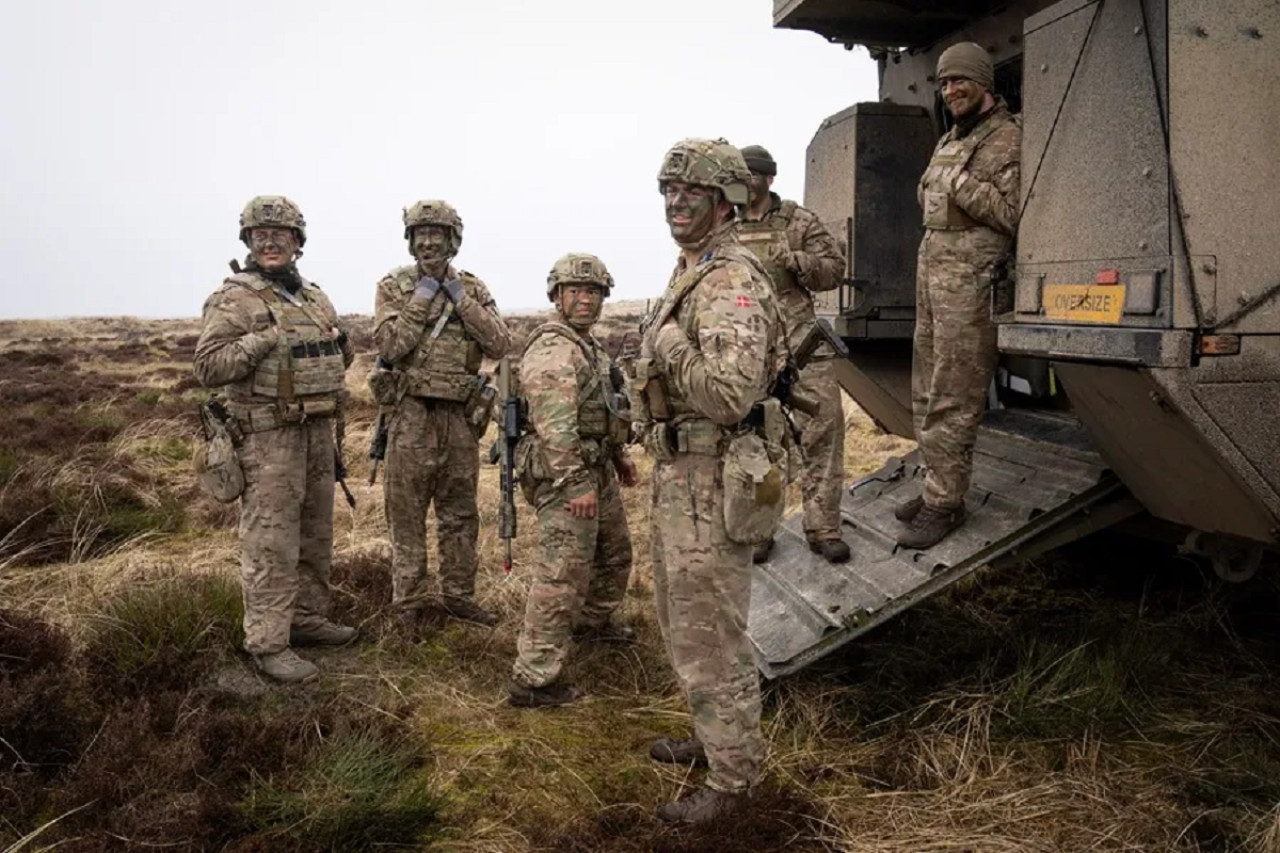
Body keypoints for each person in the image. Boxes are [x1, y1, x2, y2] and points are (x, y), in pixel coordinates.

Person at [638, 138, 785, 824]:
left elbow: (729, 394)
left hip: (710, 472)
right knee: (684, 623)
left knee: (714, 633)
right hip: (681, 471)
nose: (675, 201)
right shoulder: (691, 271)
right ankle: (713, 738)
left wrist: (667, 343)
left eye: (691, 191)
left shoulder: (728, 279)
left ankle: (735, 783)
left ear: (724, 201)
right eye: (668, 189)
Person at [194, 195, 356, 684]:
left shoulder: (313, 296)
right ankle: (268, 643)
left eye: (280, 235)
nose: (270, 242)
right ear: (247, 241)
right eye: (260, 235)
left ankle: (305, 620)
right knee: (271, 542)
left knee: (314, 534)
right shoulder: (234, 298)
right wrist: (259, 340)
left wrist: (342, 346)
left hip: (316, 432)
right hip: (267, 439)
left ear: (298, 243)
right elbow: (208, 367)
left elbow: (332, 357)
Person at [897, 42, 1022, 550]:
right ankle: (934, 488)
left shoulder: (1010, 138)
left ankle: (946, 503)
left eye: (959, 82)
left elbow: (1012, 212)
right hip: (934, 277)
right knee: (926, 388)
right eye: (944, 84)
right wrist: (946, 183)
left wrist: (960, 183)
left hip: (972, 284)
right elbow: (930, 195)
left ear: (984, 83)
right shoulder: (951, 137)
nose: (950, 91)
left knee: (954, 394)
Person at [506, 253, 637, 709]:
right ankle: (534, 678)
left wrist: (617, 458)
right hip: (566, 475)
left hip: (594, 467)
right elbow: (555, 425)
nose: (585, 300)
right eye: (575, 291)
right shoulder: (554, 349)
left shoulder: (588, 346)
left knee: (615, 553)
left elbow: (600, 410)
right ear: (557, 296)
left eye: (594, 292)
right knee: (562, 574)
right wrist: (575, 483)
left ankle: (591, 624)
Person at [373, 200, 511, 626]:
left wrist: (461, 301)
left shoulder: (472, 287)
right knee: (407, 513)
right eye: (420, 234)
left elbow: (499, 344)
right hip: (411, 414)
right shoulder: (394, 286)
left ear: (454, 239)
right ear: (410, 240)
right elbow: (391, 347)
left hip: (460, 419)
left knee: (460, 512)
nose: (428, 241)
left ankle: (458, 597)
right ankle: (409, 605)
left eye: (438, 234)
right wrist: (424, 295)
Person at [736, 144, 850, 564]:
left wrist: (796, 259)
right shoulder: (721, 227)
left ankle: (823, 527)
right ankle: (762, 530)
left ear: (769, 178)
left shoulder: (798, 221)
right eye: (738, 176)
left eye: (752, 175)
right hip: (749, 351)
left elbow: (833, 269)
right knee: (758, 442)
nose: (745, 183)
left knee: (822, 432)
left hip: (802, 347)